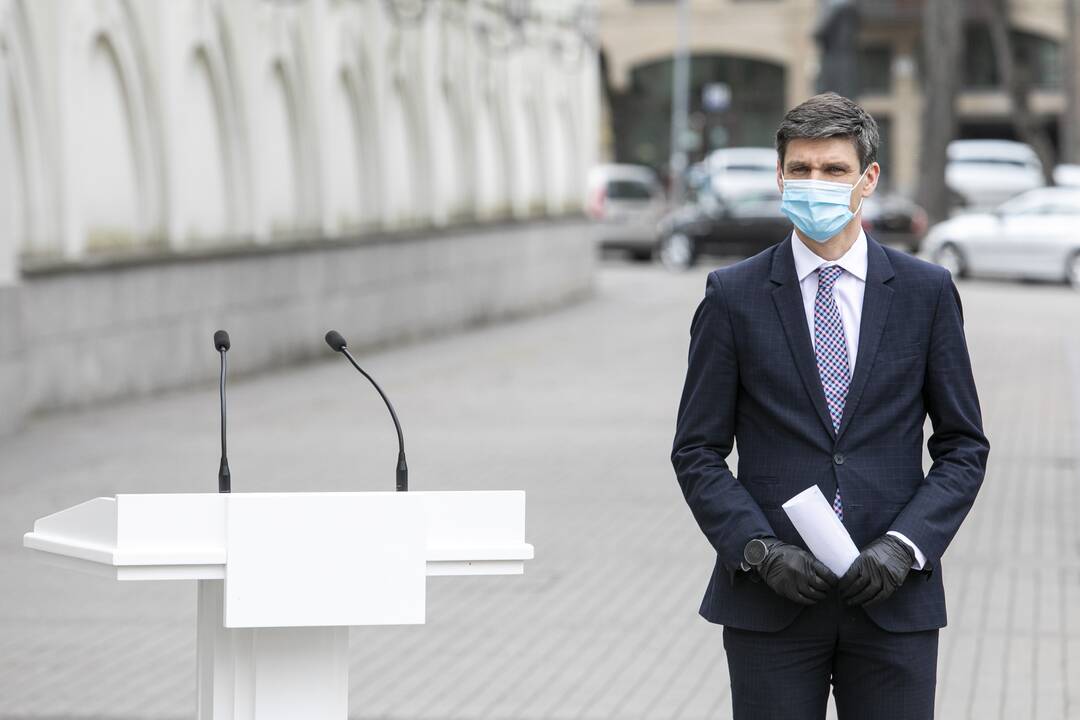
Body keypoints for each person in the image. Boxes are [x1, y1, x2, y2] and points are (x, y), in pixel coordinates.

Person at [670, 92, 990, 719]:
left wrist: (906, 545)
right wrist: (758, 551)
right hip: (773, 602)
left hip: (893, 602)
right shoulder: (732, 297)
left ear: (867, 179)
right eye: (802, 169)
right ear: (781, 176)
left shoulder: (926, 294)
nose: (816, 183)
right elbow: (697, 451)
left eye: (835, 170)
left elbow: (963, 447)